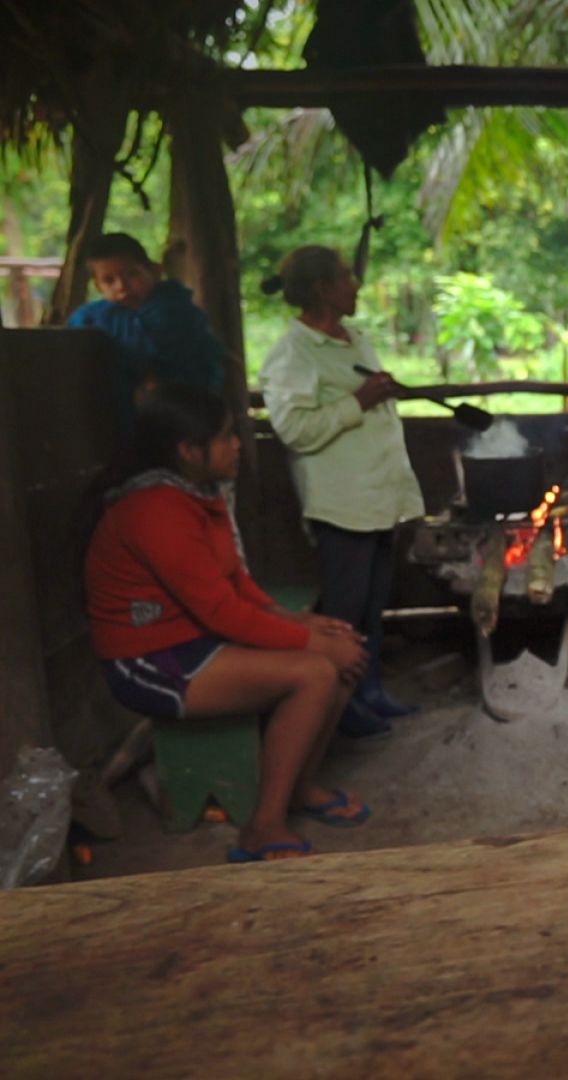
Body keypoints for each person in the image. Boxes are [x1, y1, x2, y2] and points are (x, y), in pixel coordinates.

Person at [85, 384, 372, 863]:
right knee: (316, 670)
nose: (237, 444)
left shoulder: (197, 493)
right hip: (149, 660)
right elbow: (220, 612)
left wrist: (297, 620)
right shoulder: (155, 509)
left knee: (338, 650)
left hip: (194, 641)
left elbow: (235, 581)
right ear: (188, 451)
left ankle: (299, 788)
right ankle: (262, 828)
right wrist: (307, 642)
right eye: (224, 437)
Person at [259, 246, 425, 744]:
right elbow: (294, 430)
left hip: (379, 496)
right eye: (347, 276)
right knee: (345, 615)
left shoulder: (354, 338)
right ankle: (340, 706)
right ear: (321, 290)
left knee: (372, 608)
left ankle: (369, 691)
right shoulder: (292, 354)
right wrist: (359, 402)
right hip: (343, 503)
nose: (356, 283)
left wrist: (376, 392)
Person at [66, 233, 230, 433]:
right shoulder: (89, 319)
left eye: (131, 274)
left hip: (183, 419)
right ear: (98, 286)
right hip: (114, 424)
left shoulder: (176, 311)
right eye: (109, 280)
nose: (122, 286)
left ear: (154, 270)